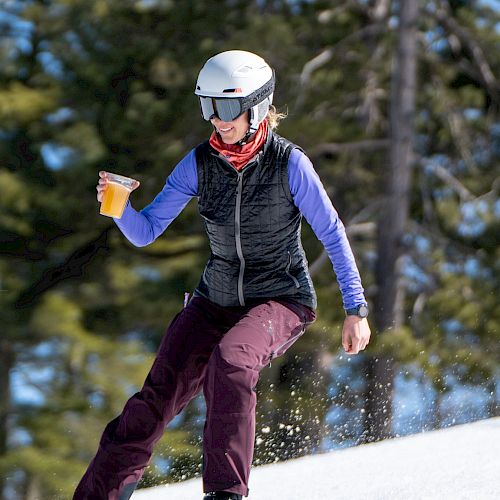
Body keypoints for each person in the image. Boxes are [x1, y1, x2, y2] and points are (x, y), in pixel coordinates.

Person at [73, 50, 371, 500]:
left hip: (281, 298)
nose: (217, 120)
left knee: (232, 360)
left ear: (257, 106)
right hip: (214, 300)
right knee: (153, 402)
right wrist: (118, 208)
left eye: (227, 108)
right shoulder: (198, 164)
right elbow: (147, 231)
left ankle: (226, 494)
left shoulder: (289, 164)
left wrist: (355, 308)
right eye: (208, 107)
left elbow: (331, 232)